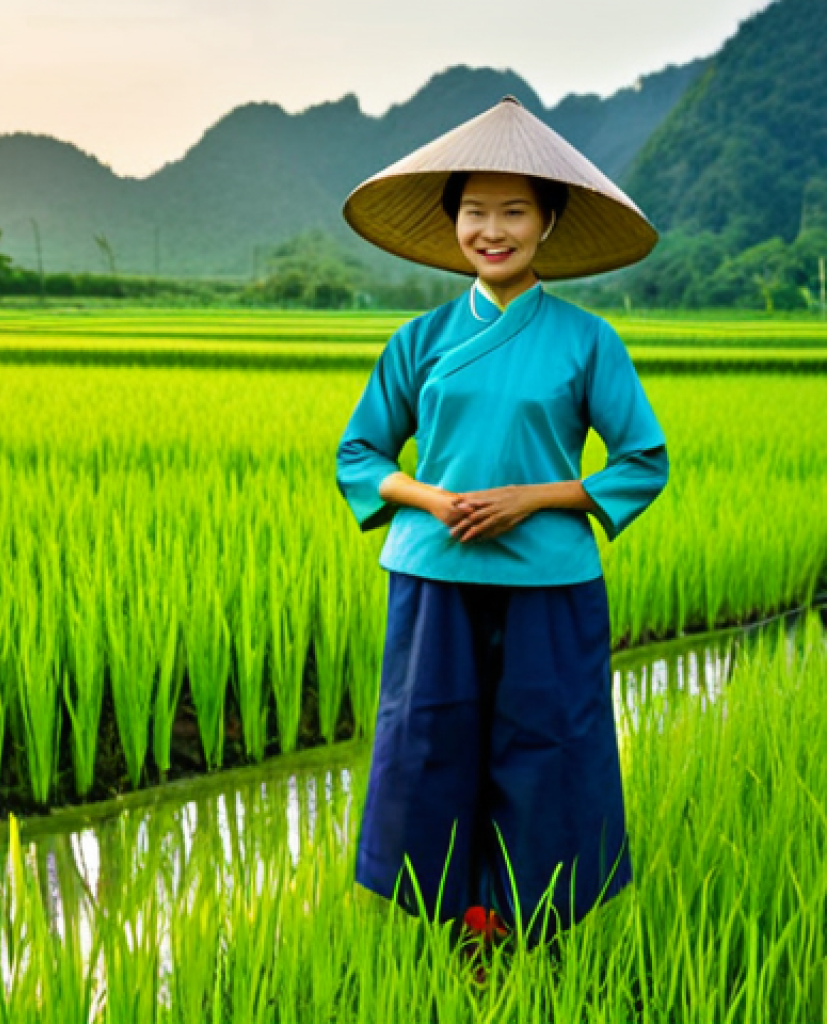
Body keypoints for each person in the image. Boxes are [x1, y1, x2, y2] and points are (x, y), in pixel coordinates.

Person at [335, 96, 669, 946]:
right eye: (475, 211)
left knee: (550, 748)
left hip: (549, 579)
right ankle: (454, 931)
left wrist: (533, 496)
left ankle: (537, 933)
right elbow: (361, 456)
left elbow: (640, 461)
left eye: (514, 210)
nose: (494, 229)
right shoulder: (421, 338)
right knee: (427, 749)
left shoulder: (589, 341)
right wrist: (429, 496)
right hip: (432, 573)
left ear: (548, 222)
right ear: (453, 223)